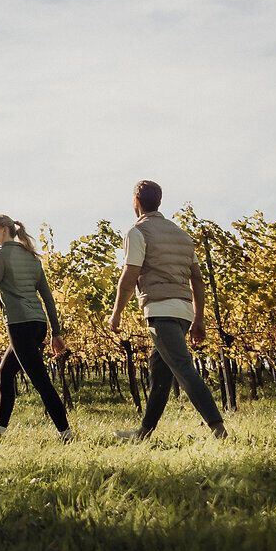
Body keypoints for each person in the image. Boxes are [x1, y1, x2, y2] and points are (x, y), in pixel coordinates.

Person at [107, 179, 228, 440]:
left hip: (161, 310)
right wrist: (198, 319)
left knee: (183, 367)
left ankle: (218, 428)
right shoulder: (181, 235)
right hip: (183, 311)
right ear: (159, 201)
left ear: (136, 202)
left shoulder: (137, 232)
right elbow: (197, 279)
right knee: (160, 369)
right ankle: (144, 432)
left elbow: (130, 275)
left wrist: (116, 312)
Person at [0, 214, 74, 440]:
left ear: (4, 229)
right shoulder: (31, 257)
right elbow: (48, 298)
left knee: (40, 380)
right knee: (5, 372)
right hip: (38, 323)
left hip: (19, 324)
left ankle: (66, 432)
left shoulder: (0, 256)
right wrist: (56, 332)